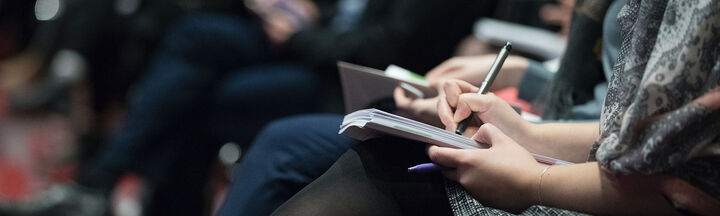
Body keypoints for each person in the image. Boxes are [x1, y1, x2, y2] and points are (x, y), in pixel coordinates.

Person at [272, 0, 720, 215]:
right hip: (588, 154)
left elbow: (679, 177)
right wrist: (523, 132)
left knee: (309, 150)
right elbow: (630, 128)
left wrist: (535, 181)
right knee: (355, 152)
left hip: (614, 195)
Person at [218, 0, 615, 215]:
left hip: (570, 157)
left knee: (356, 157)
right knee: (289, 136)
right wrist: (521, 75)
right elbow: (596, 93)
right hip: (558, 130)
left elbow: (632, 140)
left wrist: (528, 146)